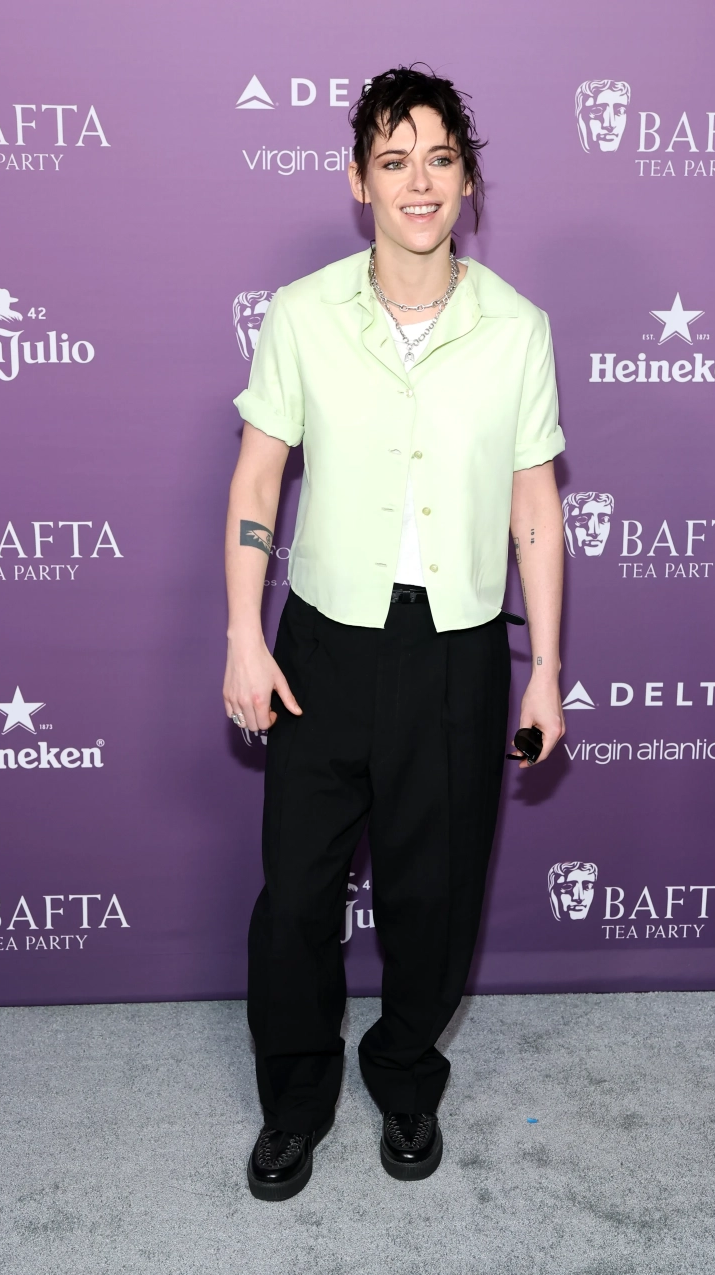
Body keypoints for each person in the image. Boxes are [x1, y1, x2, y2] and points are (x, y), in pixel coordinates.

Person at [224, 64, 566, 1201]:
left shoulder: (516, 329)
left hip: (456, 653)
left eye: (439, 159)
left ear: (467, 179)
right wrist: (243, 634)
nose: (418, 182)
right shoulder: (303, 314)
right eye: (393, 159)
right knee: (296, 897)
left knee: (437, 897)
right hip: (323, 645)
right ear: (358, 179)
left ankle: (407, 1074)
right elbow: (259, 477)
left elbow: (534, 506)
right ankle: (294, 1100)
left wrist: (546, 670)